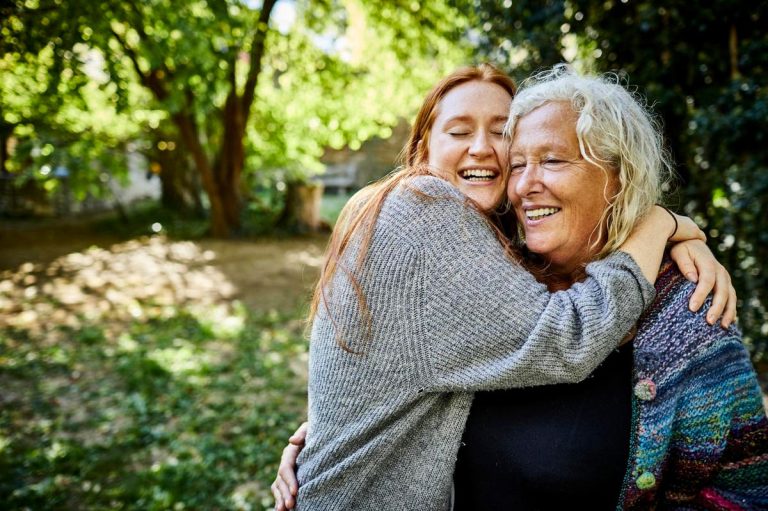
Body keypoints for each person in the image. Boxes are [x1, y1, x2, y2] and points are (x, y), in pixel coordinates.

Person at [273, 64, 738, 510]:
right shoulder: (423, 207)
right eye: (459, 131)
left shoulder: (500, 266)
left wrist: (327, 432)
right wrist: (658, 223)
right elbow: (567, 336)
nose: (481, 148)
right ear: (422, 151)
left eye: (501, 133)